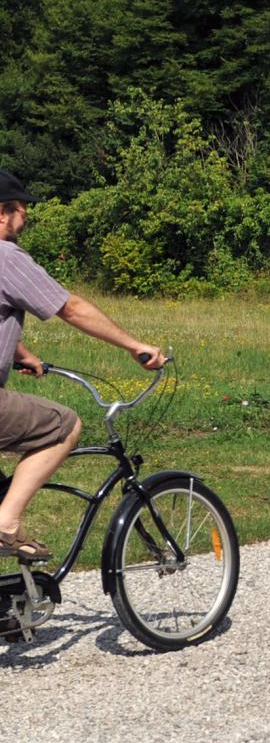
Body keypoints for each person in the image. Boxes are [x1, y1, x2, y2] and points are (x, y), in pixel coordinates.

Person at [0, 167, 165, 563]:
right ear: (5, 212)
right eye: (24, 210)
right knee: (65, 424)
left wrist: (20, 353)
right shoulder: (6, 256)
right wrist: (134, 345)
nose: (27, 219)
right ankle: (5, 525)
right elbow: (70, 308)